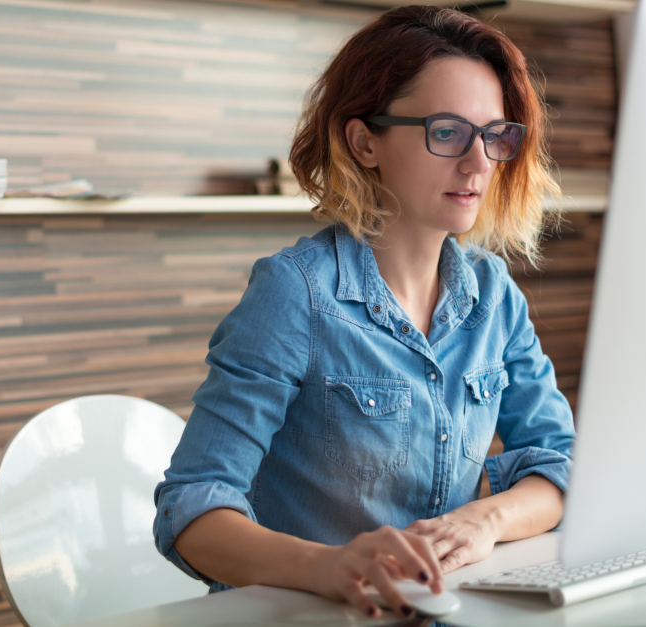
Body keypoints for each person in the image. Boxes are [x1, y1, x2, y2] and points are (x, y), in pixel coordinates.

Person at [154, 5, 575, 620]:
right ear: (364, 141)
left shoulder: (494, 294)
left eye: (494, 135)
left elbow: (557, 464)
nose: (479, 162)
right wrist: (327, 566)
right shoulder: (295, 292)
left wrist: (486, 519)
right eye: (447, 131)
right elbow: (192, 506)